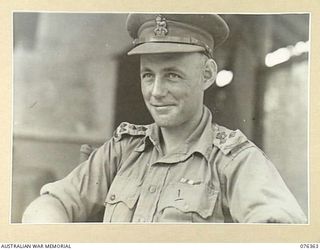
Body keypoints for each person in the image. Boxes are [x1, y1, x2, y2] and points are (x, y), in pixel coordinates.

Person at [22, 13, 307, 223]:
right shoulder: (120, 151)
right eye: (148, 75)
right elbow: (51, 203)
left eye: (172, 75)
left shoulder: (236, 161)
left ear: (207, 75)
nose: (156, 92)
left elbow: (280, 233)